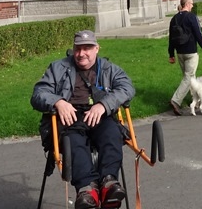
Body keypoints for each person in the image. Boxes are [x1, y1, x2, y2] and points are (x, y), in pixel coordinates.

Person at [31, 30, 135, 209]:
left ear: (96, 49)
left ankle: (109, 184)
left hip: (100, 115)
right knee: (74, 142)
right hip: (70, 118)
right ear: (73, 49)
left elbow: (127, 88)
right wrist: (58, 102)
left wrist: (103, 105)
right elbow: (38, 94)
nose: (81, 54)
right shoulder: (57, 68)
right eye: (78, 48)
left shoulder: (109, 68)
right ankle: (87, 190)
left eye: (87, 48)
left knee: (112, 133)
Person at [168, 0, 202, 116]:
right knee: (189, 78)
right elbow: (199, 34)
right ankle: (176, 100)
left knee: (188, 77)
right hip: (191, 52)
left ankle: (195, 101)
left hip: (179, 52)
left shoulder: (174, 18)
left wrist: (171, 54)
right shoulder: (191, 17)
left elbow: (171, 38)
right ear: (187, 4)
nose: (193, 5)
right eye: (191, 3)